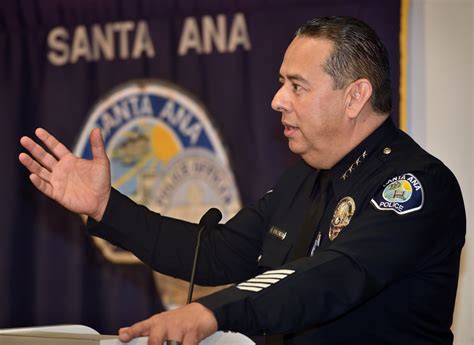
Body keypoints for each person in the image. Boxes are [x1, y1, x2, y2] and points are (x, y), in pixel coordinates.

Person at [19, 16, 465, 345]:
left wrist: (210, 313)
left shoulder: (415, 186)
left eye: (296, 86)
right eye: (279, 83)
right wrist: (105, 207)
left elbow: (331, 274)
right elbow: (213, 253)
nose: (277, 100)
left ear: (355, 97)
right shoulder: (302, 181)